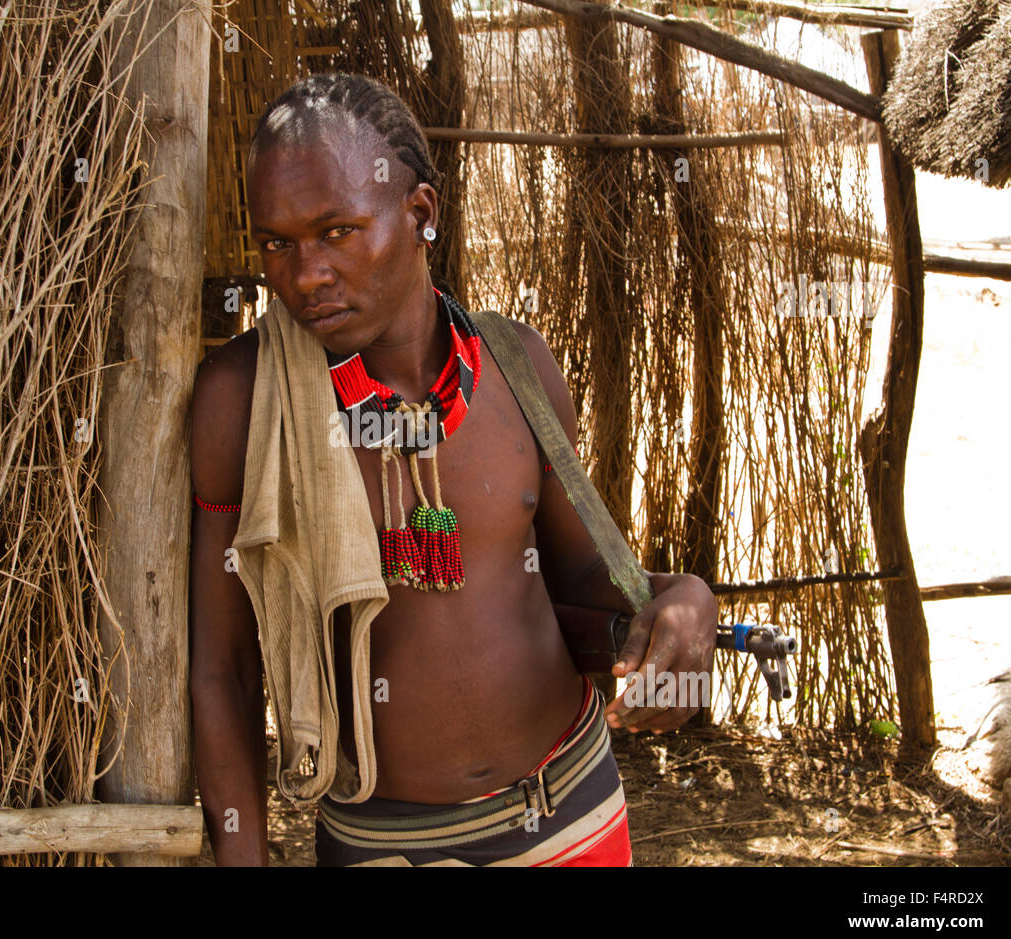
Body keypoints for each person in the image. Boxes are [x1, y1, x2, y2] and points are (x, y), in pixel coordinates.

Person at [189, 73, 717, 866]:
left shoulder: (515, 367)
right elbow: (223, 668)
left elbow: (578, 585)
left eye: (336, 231)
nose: (304, 275)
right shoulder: (247, 403)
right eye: (277, 242)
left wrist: (685, 601)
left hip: (577, 816)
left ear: (420, 214)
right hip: (385, 848)